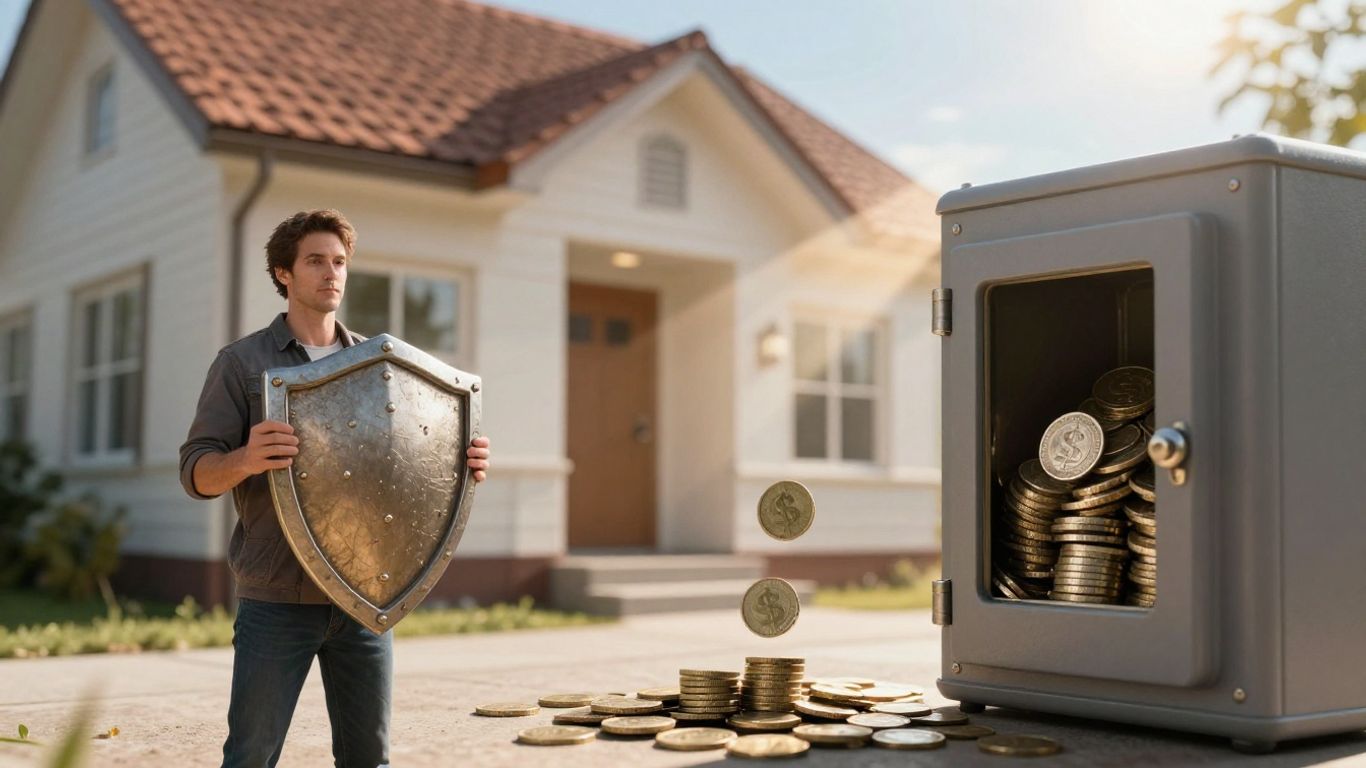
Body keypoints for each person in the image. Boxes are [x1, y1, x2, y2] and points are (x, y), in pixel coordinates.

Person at [178, 209, 491, 768]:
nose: (331, 273)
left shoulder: (380, 364)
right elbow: (196, 471)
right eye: (315, 261)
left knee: (369, 758)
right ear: (284, 274)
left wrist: (460, 460)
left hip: (367, 598)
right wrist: (246, 459)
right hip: (276, 598)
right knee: (250, 756)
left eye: (340, 261)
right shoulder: (243, 364)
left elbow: (399, 462)